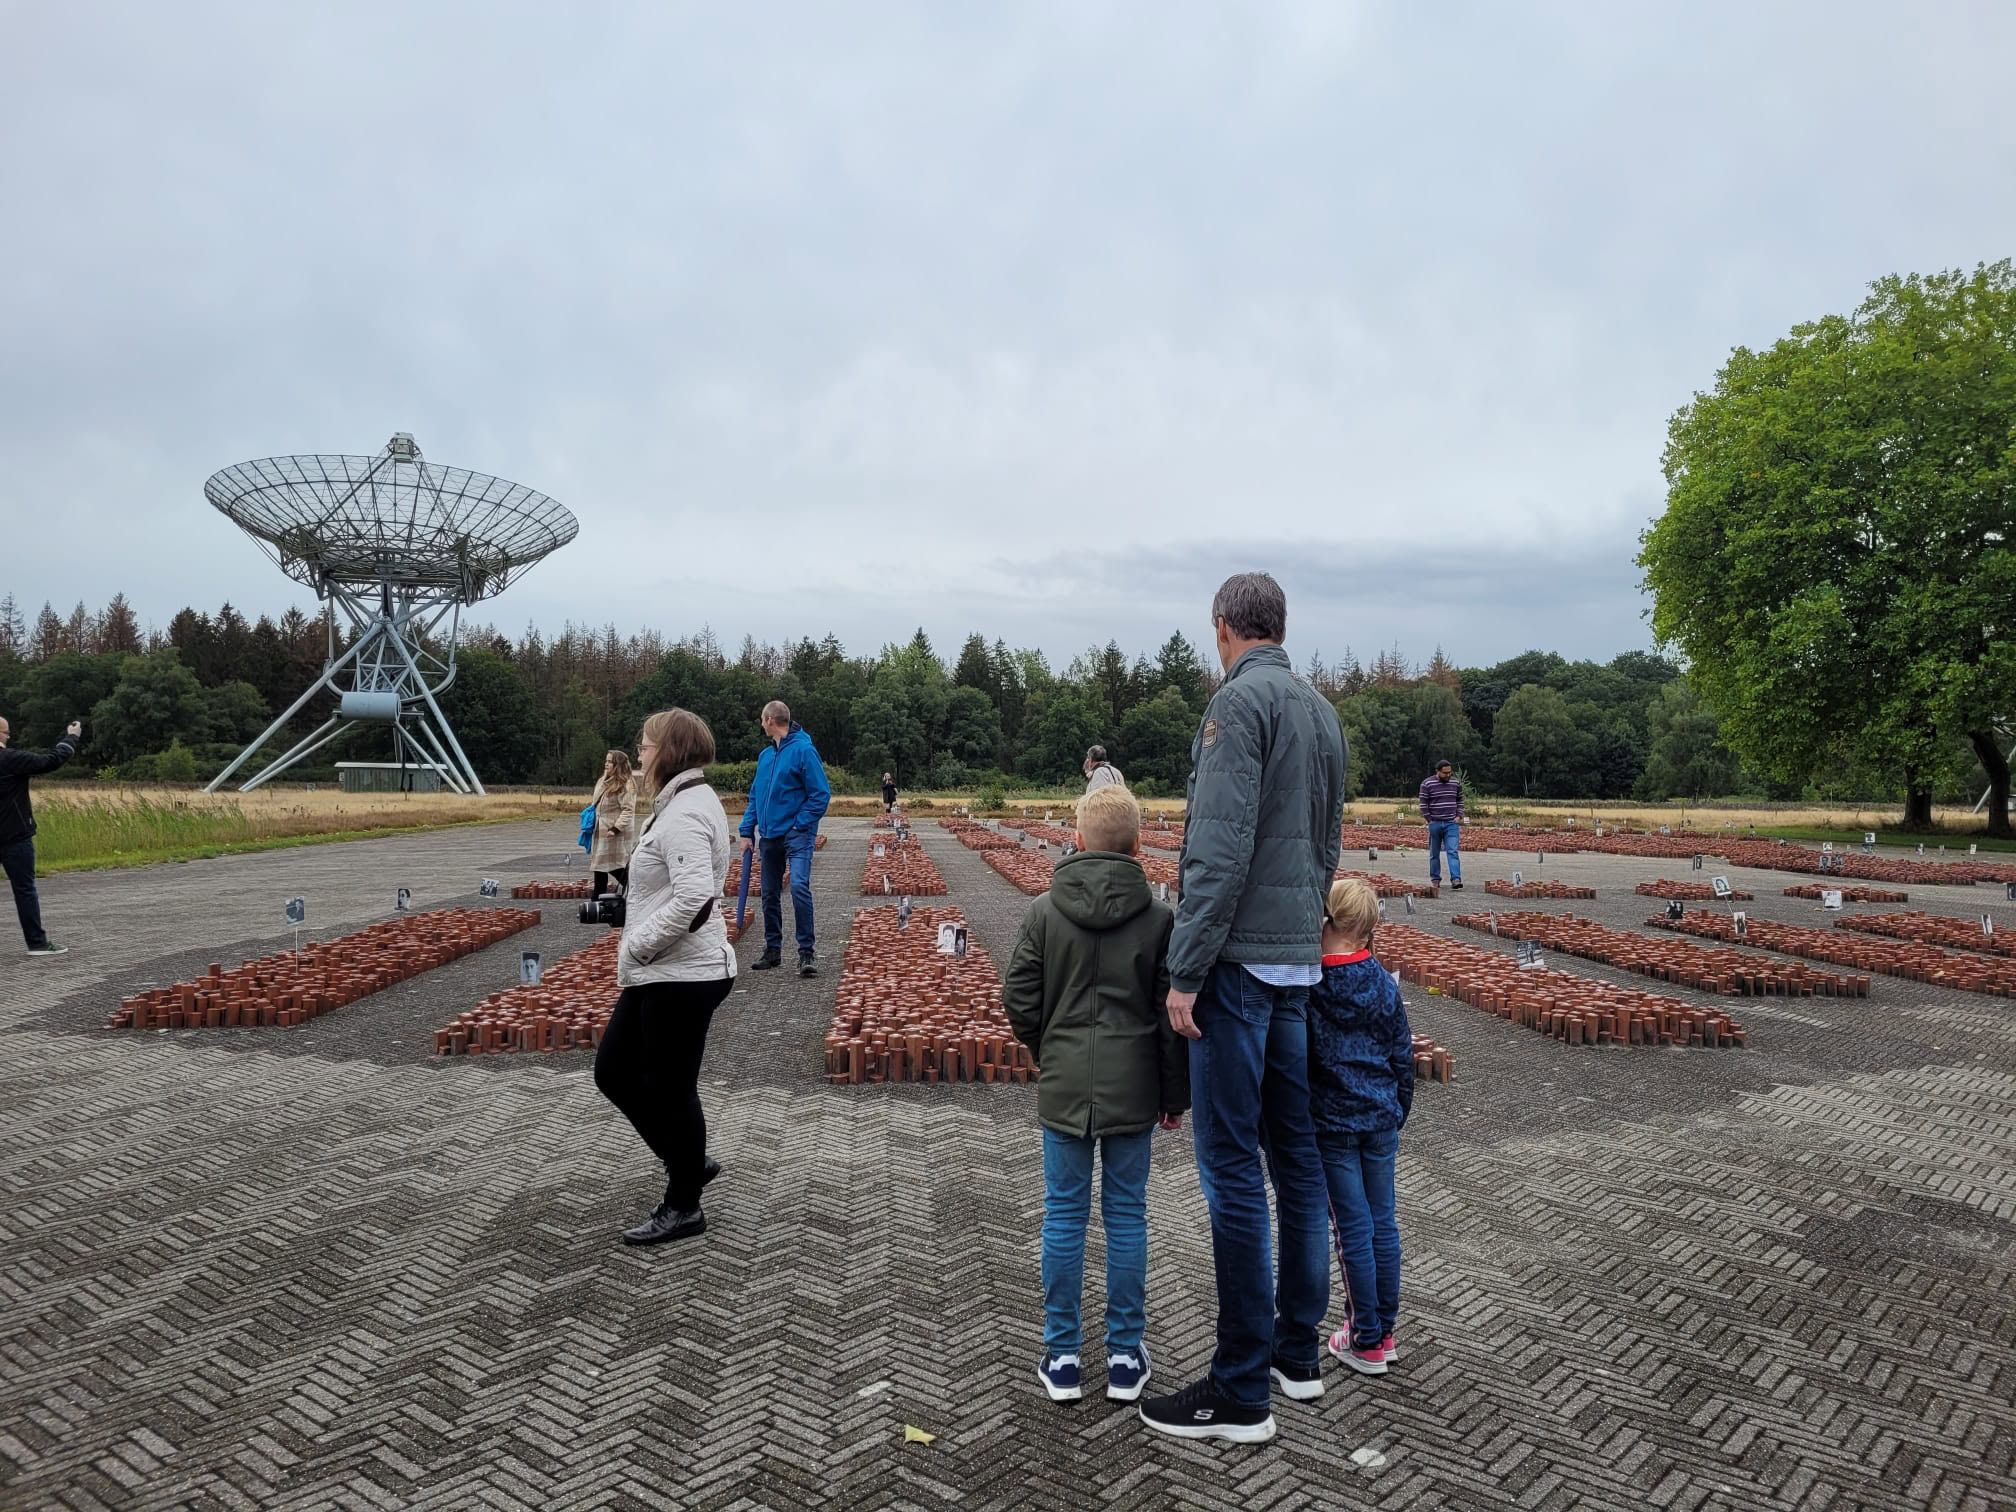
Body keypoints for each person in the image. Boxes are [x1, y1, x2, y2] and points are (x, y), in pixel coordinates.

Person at [1139, 571, 1347, 1445]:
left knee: (1230, 1169)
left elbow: (1216, 851)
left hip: (1236, 969)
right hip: (1295, 964)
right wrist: (1301, 930)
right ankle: (1297, 1355)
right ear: (1280, 626)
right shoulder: (1321, 712)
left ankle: (1238, 1389)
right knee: (1295, 1162)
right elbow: (1329, 844)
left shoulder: (1236, 704)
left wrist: (1185, 970)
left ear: (1223, 626)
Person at [1004, 783, 1188, 1407]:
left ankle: (1061, 1355)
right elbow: (1170, 1018)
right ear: (1137, 846)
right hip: (1134, 1086)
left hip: (1064, 1085)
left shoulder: (1043, 912)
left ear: (1077, 840)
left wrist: (1049, 1049)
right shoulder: (1160, 920)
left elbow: (1019, 998)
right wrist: (1173, 1096)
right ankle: (1124, 1354)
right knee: (1127, 1215)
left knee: (1063, 1213)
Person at [594, 708, 737, 1246]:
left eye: (646, 746)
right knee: (614, 1071)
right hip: (665, 970)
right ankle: (689, 1162)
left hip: (682, 973)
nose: (640, 755)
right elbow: (674, 887)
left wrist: (639, 941)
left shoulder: (685, 812)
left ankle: (684, 1205)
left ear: (670, 752)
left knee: (671, 1088)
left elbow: (695, 897)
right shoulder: (682, 801)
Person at [1310, 878, 1414, 1376]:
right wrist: (1398, 1107)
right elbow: (1402, 1054)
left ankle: (1364, 1337)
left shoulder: (1311, 986)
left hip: (1333, 1125)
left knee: (1351, 1230)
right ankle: (1384, 1331)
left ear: (1325, 921)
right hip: (1381, 1120)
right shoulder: (1383, 982)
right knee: (1383, 1223)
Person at [738, 700, 832, 977]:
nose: (761, 724)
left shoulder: (804, 751)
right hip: (769, 836)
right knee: (769, 893)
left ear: (770, 720)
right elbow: (755, 797)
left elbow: (820, 795)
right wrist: (746, 831)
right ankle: (773, 949)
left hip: (797, 835)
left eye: (761, 719)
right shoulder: (765, 756)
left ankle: (806, 951)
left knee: (799, 886)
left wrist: (799, 824)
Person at [0, 716, 82, 958]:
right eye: (7, 733)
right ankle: (37, 943)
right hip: (15, 836)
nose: (8, 737)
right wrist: (71, 737)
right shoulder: (10, 759)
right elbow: (51, 760)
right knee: (24, 889)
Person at [588, 749, 638, 898]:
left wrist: (616, 828)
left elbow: (628, 810)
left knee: (616, 866)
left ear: (618, 765)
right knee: (600, 867)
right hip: (601, 830)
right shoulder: (603, 781)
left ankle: (635, 891)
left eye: (610, 761)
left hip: (614, 833)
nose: (606, 764)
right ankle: (598, 898)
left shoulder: (626, 784)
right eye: (606, 761)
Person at [1418, 759, 1464, 891]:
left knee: (1452, 851)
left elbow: (1460, 800)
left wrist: (1459, 816)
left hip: (1451, 823)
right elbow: (1423, 803)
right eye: (1445, 773)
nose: (1448, 775)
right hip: (1435, 823)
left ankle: (1456, 879)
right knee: (1434, 853)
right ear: (1437, 771)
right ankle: (1435, 879)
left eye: (1450, 773)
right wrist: (1429, 820)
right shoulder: (1427, 784)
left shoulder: (1456, 783)